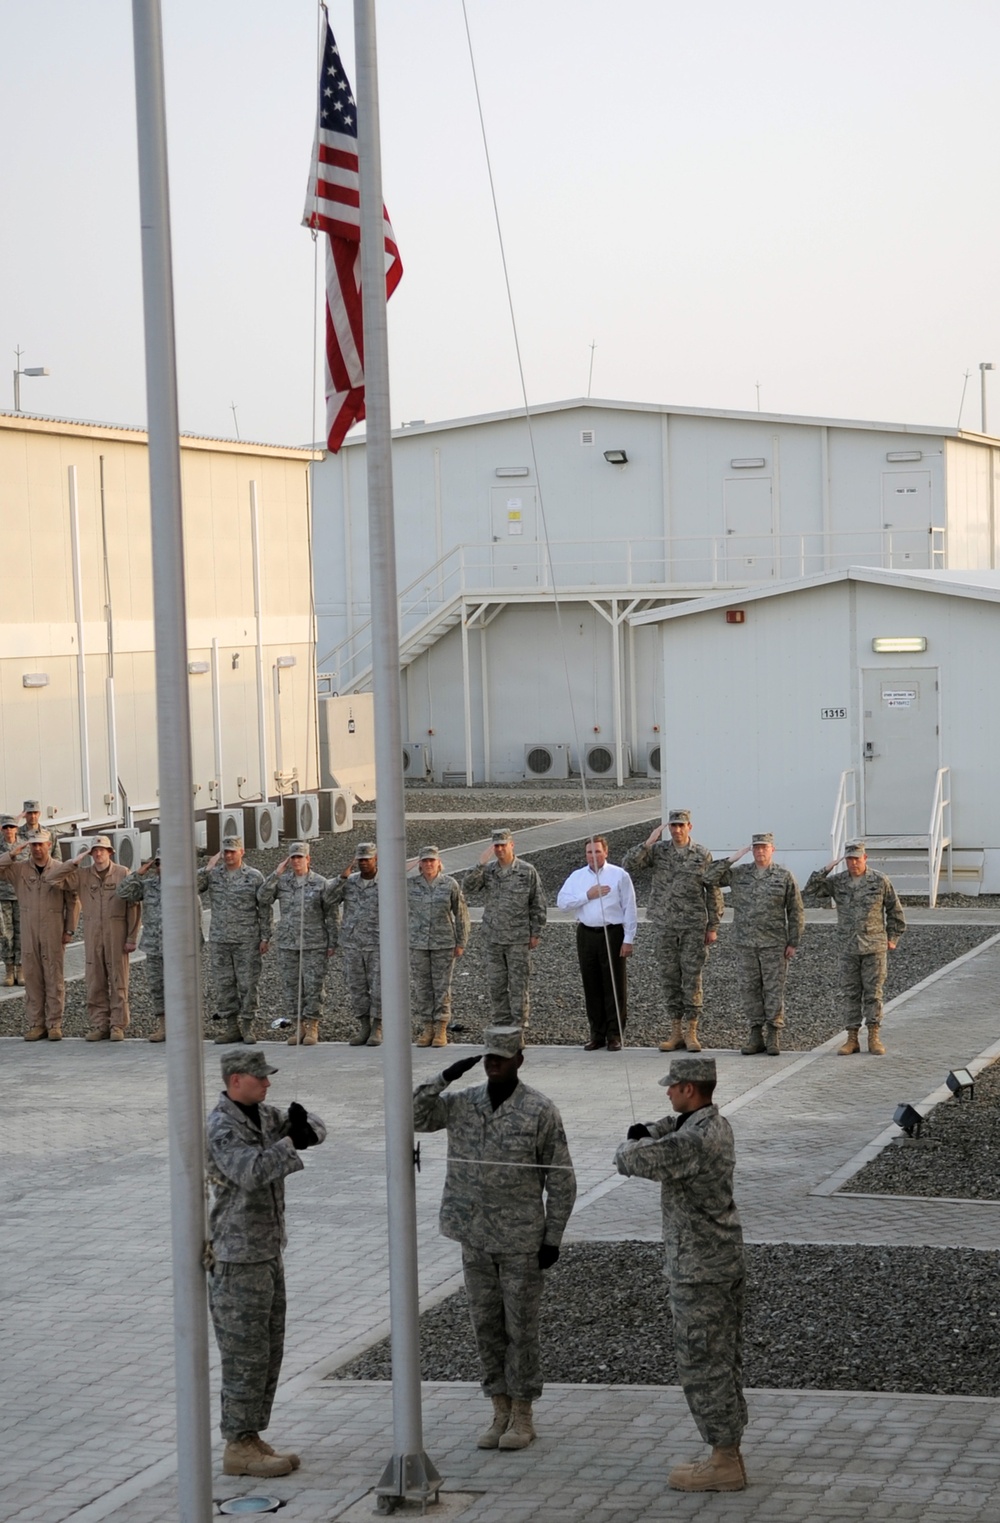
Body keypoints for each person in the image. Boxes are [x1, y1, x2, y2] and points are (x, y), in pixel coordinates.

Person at [412, 1025, 576, 1452]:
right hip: (474, 1235)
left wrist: (552, 1237)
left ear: (520, 1060)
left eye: (502, 1057)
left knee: (520, 1329)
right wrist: (443, 1077)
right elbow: (413, 1115)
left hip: (521, 1239)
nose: (494, 1064)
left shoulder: (540, 1110)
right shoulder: (464, 1104)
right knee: (485, 1326)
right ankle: (498, 1408)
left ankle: (523, 1413)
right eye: (488, 1057)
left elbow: (561, 1180)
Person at [615, 1055, 747, 1493]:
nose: (667, 1093)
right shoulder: (712, 1124)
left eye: (673, 1087)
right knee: (722, 1360)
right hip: (717, 1262)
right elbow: (668, 1128)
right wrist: (650, 1129)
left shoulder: (693, 1142)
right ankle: (726, 1452)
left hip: (699, 1271)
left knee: (703, 1364)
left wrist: (630, 1143)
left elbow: (632, 1161)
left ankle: (725, 1460)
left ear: (689, 1089)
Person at [206, 1049, 327, 1478]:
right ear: (236, 1080)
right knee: (245, 1354)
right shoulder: (223, 1125)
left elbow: (316, 1128)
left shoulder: (261, 1114)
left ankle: (251, 1433)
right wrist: (291, 1142)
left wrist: (302, 1126)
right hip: (238, 1258)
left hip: (267, 1251)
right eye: (260, 1078)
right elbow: (250, 1172)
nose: (268, 1084)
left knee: (269, 1349)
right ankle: (237, 1444)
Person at [622, 810, 723, 1054]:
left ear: (690, 826)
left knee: (692, 977)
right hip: (665, 924)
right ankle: (675, 1030)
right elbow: (628, 865)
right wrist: (648, 843)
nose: (677, 830)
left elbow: (713, 890)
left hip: (692, 925)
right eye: (673, 826)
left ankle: (691, 1031)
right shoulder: (658, 851)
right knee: (669, 977)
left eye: (681, 825)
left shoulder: (701, 854)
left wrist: (713, 925)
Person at [703, 833, 805, 1056]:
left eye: (764, 848)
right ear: (751, 850)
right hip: (746, 943)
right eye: (756, 848)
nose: (760, 852)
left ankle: (774, 1033)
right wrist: (733, 857)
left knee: (773, 989)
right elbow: (709, 877)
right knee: (749, 988)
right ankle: (755, 1033)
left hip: (774, 943)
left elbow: (796, 911)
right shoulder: (740, 874)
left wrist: (793, 941)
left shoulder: (783, 876)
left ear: (772, 850)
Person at [803, 841, 906, 1055]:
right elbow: (810, 890)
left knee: (873, 994)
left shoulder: (879, 881)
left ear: (865, 858)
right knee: (850, 994)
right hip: (848, 947)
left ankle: (874, 1037)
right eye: (849, 859)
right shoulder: (838, 882)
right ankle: (852, 1039)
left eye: (857, 859)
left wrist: (893, 937)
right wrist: (827, 868)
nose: (853, 863)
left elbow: (895, 910)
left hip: (874, 946)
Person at [556, 835, 637, 1052]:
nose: (593, 856)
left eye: (597, 851)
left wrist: (628, 938)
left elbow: (630, 907)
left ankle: (614, 1034)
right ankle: (597, 1034)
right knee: (591, 985)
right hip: (586, 934)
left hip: (612, 933)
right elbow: (562, 903)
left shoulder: (619, 875)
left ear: (606, 852)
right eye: (589, 852)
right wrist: (587, 895)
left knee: (614, 984)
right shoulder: (577, 877)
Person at [461, 829, 546, 1030]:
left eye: (503, 845)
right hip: (493, 938)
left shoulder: (526, 871)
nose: (499, 849)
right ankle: (500, 1023)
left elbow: (538, 903)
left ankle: (518, 1025)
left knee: (518, 985)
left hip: (518, 938)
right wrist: (480, 864)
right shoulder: (488, 871)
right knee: (496, 984)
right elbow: (469, 887)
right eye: (496, 846)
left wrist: (536, 932)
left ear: (511, 845)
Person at [0, 831, 80, 1040]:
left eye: (41, 845)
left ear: (48, 845)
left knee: (54, 977)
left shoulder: (59, 869)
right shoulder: (19, 870)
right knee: (33, 978)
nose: (37, 849)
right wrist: (12, 854)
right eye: (33, 845)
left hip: (53, 929)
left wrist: (70, 928)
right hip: (29, 930)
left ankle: (54, 1024)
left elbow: (73, 899)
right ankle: (37, 1024)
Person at [62, 836, 142, 1041]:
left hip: (116, 932)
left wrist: (132, 937)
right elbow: (54, 878)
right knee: (95, 980)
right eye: (94, 850)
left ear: (110, 852)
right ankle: (100, 1025)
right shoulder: (82, 875)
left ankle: (117, 1025)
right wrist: (74, 862)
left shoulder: (123, 873)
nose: (98, 854)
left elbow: (134, 907)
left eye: (102, 850)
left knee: (118, 980)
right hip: (93, 933)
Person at [257, 842, 338, 1046]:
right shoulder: (283, 882)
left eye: (300, 857)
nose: (296, 861)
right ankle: (298, 1025)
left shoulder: (321, 883)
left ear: (308, 859)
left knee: (313, 986)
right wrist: (276, 873)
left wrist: (332, 941)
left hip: (314, 942)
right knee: (291, 987)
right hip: (288, 943)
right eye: (293, 857)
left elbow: (332, 914)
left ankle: (312, 1026)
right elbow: (262, 897)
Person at [198, 835, 271, 1045]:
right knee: (224, 985)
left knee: (248, 984)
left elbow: (264, 908)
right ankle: (232, 1027)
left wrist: (265, 936)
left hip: (247, 939)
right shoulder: (214, 875)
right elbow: (190, 887)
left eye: (232, 851)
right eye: (225, 852)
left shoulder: (254, 876)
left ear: (242, 852)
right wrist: (208, 867)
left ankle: (248, 1026)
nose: (229, 856)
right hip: (221, 939)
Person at [407, 844, 470, 1048]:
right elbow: (387, 886)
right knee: (422, 987)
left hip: (443, 943)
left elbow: (461, 914)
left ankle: (441, 1027)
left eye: (431, 861)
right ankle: (427, 1027)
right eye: (424, 861)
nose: (428, 864)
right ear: (419, 864)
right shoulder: (410, 885)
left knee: (442, 986)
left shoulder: (449, 884)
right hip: (418, 943)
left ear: (439, 863)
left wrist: (461, 941)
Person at [326, 842, 381, 1046]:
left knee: (378, 987)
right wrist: (342, 877)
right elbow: (328, 899)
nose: (364, 863)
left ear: (376, 860)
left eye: (367, 859)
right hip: (353, 944)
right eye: (360, 860)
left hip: (377, 943)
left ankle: (378, 1027)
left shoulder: (386, 882)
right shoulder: (349, 882)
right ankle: (364, 1026)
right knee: (357, 987)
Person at [116, 854, 165, 1042]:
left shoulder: (183, 886)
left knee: (180, 989)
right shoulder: (149, 886)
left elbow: (197, 914)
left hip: (177, 949)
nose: (162, 866)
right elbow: (122, 892)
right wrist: (139, 873)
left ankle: (183, 1029)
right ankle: (164, 1027)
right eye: (158, 863)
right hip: (154, 947)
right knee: (157, 988)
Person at [0, 815, 22, 986]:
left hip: (21, 896)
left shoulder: (25, 847)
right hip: (2, 896)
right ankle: (9, 970)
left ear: (16, 829)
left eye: (11, 827)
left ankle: (21, 969)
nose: (9, 830)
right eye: (5, 827)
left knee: (21, 933)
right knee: (6, 934)